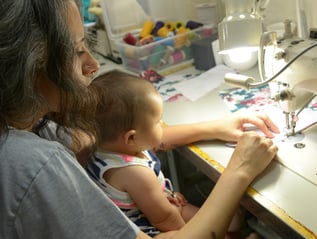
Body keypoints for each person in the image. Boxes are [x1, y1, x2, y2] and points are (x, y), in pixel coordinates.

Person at [0, 0, 279, 239]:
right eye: (77, 50)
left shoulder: (42, 127)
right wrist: (239, 169)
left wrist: (215, 127)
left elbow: (123, 140)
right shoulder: (32, 163)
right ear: (32, 62)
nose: (93, 65)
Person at [87, 70, 247, 238]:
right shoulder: (134, 172)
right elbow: (164, 219)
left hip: (160, 204)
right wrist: (189, 231)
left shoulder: (107, 146)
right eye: (157, 122)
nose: (162, 125)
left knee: (233, 222)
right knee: (225, 230)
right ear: (131, 137)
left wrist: (165, 196)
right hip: (154, 227)